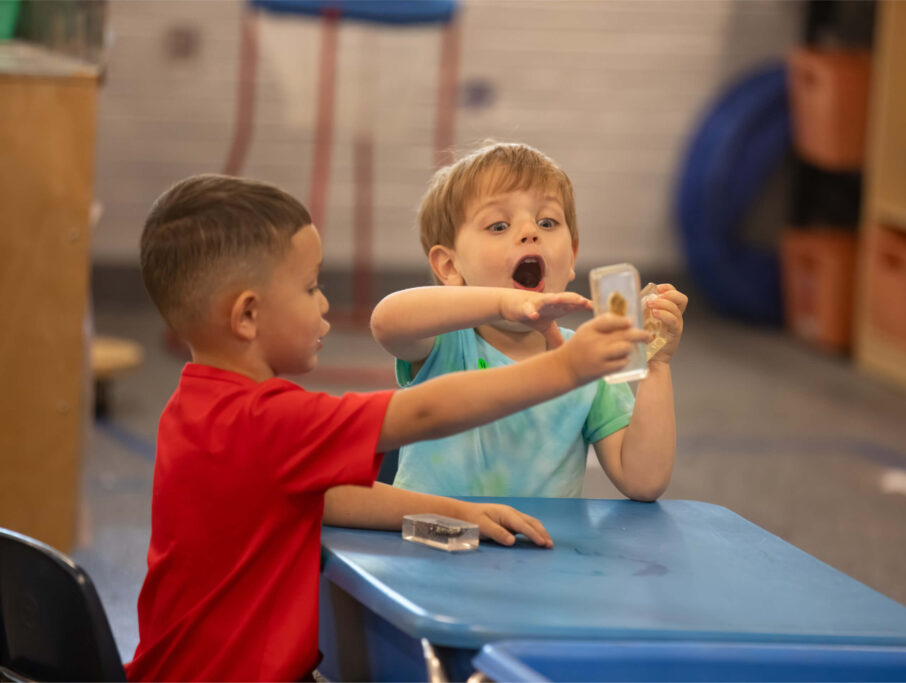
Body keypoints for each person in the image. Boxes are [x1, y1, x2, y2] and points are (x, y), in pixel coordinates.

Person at [125, 174, 650, 681]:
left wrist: (457, 512)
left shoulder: (193, 407)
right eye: (310, 288)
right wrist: (566, 368)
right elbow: (423, 412)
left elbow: (327, 497)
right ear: (246, 316)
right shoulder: (273, 422)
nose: (325, 303)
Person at [370, 141, 687, 500]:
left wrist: (657, 365)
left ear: (571, 256)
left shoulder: (587, 359)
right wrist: (504, 303)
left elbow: (643, 481)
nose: (529, 232)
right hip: (437, 545)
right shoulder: (444, 344)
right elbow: (387, 321)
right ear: (449, 266)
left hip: (535, 551)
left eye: (547, 222)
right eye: (499, 225)